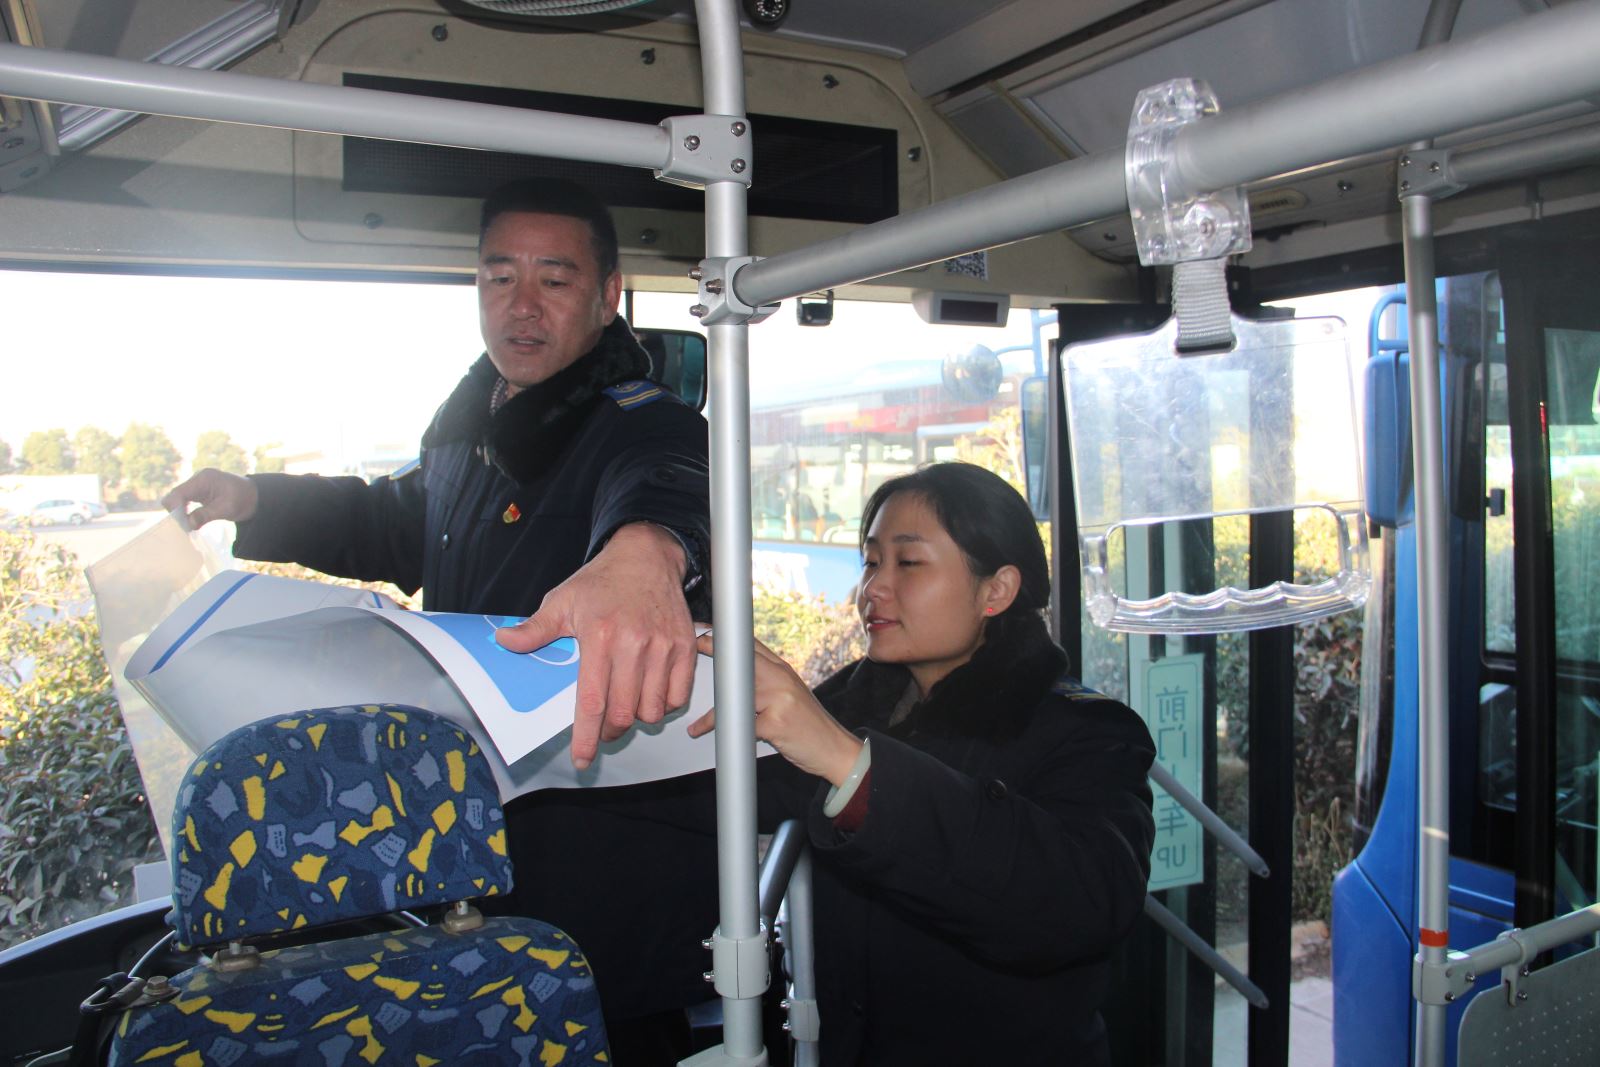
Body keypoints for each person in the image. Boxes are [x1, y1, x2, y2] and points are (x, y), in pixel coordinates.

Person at [162, 177, 718, 1060]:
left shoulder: (639, 423)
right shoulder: (472, 430)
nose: (522, 305)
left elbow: (672, 476)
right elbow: (396, 520)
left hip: (602, 847)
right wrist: (257, 498)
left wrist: (648, 550)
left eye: (555, 279)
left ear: (609, 294)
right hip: (474, 836)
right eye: (500, 277)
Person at [693, 462, 1156, 1066]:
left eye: (908, 563)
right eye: (870, 562)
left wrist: (849, 765)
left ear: (996, 591)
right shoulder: (857, 704)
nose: (873, 589)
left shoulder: (1090, 733)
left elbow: (1078, 906)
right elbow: (712, 798)